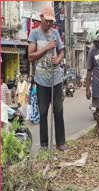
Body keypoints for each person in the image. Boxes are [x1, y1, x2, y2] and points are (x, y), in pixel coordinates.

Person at [28, 5, 67, 151]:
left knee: (58, 110)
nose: (49, 24)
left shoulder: (56, 33)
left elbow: (62, 52)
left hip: (56, 78)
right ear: (41, 17)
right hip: (41, 80)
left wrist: (58, 59)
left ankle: (60, 142)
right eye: (47, 20)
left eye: (52, 21)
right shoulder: (34, 34)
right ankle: (44, 145)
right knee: (43, 112)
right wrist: (47, 47)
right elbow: (30, 57)